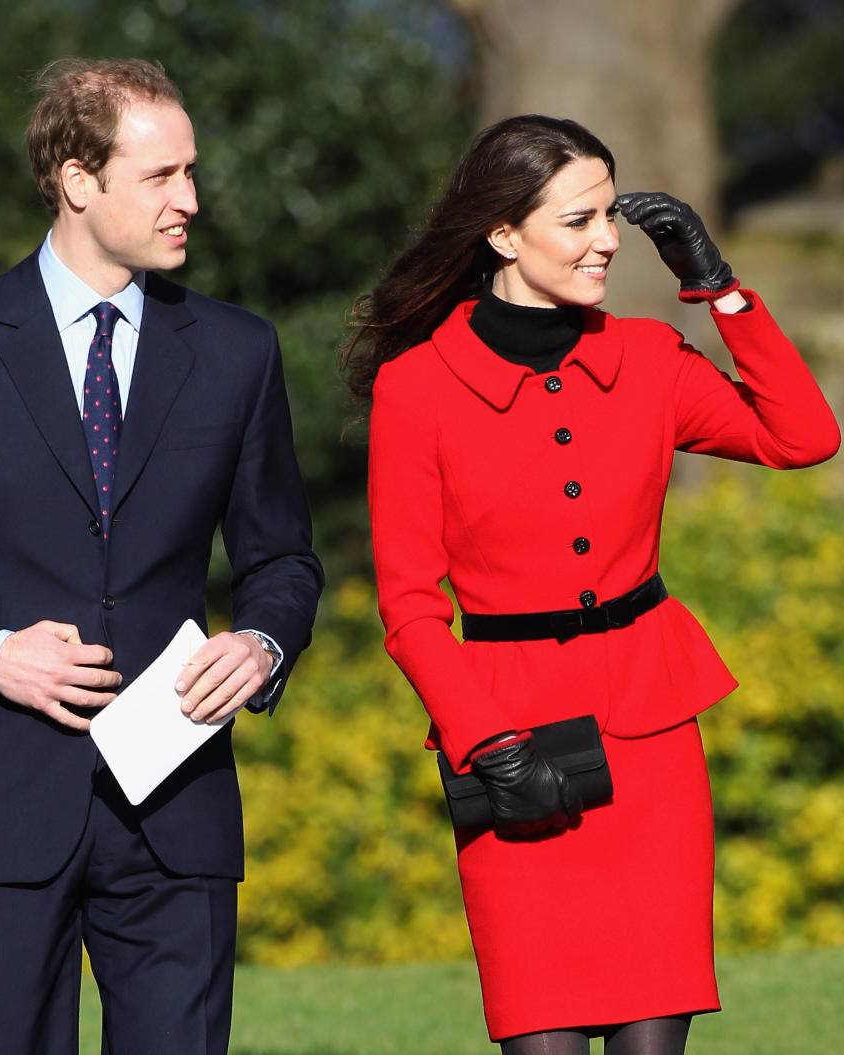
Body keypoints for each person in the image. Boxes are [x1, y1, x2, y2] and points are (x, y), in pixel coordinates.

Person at [342, 115, 839, 1055]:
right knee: (544, 1041)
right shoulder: (420, 390)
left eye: (611, 213)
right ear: (503, 234)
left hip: (651, 731)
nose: (609, 238)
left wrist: (719, 289)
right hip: (511, 739)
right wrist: (486, 741)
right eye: (579, 220)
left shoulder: (648, 359)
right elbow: (409, 607)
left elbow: (804, 436)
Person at [0, 58, 323, 1054]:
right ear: (79, 180)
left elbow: (283, 557)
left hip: (178, 804)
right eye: (162, 176)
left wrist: (261, 640)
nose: (192, 200)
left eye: (191, 171)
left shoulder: (238, 351)